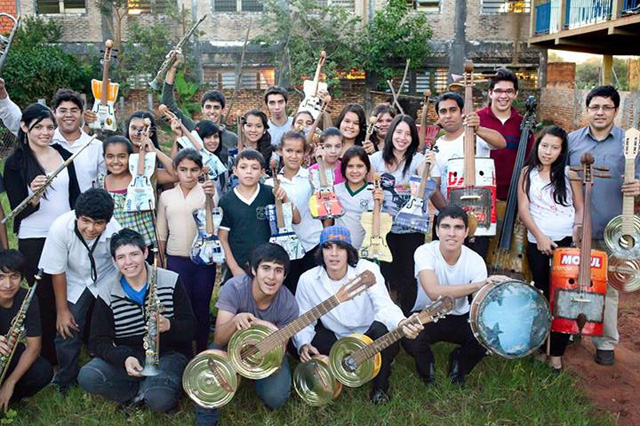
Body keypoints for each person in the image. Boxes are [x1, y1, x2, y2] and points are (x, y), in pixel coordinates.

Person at [294, 226, 422, 403]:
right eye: (328, 247)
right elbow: (304, 319)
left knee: (383, 330)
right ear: (320, 252)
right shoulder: (308, 279)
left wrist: (401, 322)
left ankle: (380, 388)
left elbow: (384, 305)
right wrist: (303, 344)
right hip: (338, 337)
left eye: (340, 247)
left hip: (369, 335)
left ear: (348, 252)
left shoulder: (367, 270)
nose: (334, 254)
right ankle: (339, 370)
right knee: (306, 341)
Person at [78, 229, 196, 413]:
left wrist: (169, 325)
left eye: (134, 254)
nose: (129, 262)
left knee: (159, 400)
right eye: (121, 257)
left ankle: (151, 392)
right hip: (130, 355)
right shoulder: (106, 292)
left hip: (168, 354)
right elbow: (97, 341)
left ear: (145, 253)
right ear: (114, 261)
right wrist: (124, 358)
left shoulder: (171, 280)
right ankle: (136, 393)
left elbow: (191, 328)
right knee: (88, 376)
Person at [4, 103, 82, 365]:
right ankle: (49, 354)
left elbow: (74, 197)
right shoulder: (15, 163)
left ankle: (73, 341)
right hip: (35, 238)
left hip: (67, 233)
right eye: (39, 127)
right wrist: (34, 195)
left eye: (50, 127)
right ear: (25, 128)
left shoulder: (62, 153)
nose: (46, 132)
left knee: (71, 289)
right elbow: (16, 211)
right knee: (45, 296)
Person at [568, 85, 640, 366]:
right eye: (595, 107)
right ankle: (573, 330)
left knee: (608, 287)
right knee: (574, 281)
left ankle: (606, 342)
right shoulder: (573, 140)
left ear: (615, 111)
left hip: (614, 229)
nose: (600, 112)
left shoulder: (629, 143)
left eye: (606, 107)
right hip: (579, 227)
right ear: (587, 110)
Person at [195, 243, 298, 426]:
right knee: (208, 370)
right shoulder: (234, 288)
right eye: (265, 268)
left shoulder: (288, 303)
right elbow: (219, 338)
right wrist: (235, 321)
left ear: (285, 275)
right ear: (253, 270)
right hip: (230, 345)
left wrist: (263, 329)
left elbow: (280, 352)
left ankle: (253, 380)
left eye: (278, 270)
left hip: (267, 352)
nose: (271, 277)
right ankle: (206, 414)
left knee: (276, 397)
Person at [403, 205, 507, 385]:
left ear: (466, 232)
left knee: (487, 336)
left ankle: (460, 361)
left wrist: (496, 292)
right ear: (437, 230)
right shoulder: (424, 252)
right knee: (409, 337)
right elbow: (433, 292)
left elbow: (479, 303)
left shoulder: (475, 260)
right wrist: (478, 284)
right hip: (428, 314)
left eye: (458, 227)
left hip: (460, 315)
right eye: (445, 227)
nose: (451, 233)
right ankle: (427, 367)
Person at [38, 188, 121, 392]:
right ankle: (66, 378)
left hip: (106, 275)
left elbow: (122, 263)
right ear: (76, 215)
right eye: (85, 221)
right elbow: (57, 272)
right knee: (68, 327)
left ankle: (108, 366)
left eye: (98, 223)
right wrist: (63, 311)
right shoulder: (60, 228)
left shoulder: (116, 231)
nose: (91, 228)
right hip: (74, 278)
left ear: (107, 222)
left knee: (113, 322)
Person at [517, 126, 583, 372]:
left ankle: (557, 352)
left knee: (563, 299)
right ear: (537, 145)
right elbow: (524, 209)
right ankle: (539, 345)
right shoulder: (527, 173)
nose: (548, 151)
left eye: (555, 147)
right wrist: (540, 237)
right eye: (545, 145)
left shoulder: (570, 175)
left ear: (562, 151)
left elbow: (579, 207)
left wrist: (577, 230)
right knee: (542, 294)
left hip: (565, 244)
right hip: (538, 243)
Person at [369, 114, 445, 314]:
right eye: (399, 132)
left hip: (411, 228)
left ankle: (409, 314)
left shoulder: (418, 160)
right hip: (383, 229)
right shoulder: (376, 160)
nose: (402, 137)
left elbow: (428, 184)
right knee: (387, 273)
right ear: (391, 133)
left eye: (408, 134)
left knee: (409, 274)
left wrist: (429, 166)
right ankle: (388, 315)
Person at [156, 149, 218, 353]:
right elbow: (162, 231)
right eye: (183, 170)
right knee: (181, 308)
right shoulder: (166, 196)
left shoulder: (207, 192)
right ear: (176, 171)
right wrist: (161, 260)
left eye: (194, 170)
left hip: (202, 261)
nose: (189, 175)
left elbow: (212, 223)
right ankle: (182, 351)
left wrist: (210, 197)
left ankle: (200, 350)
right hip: (175, 259)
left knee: (201, 306)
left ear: (200, 171)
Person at [432, 92, 506, 256]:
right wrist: (449, 213)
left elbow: (501, 142)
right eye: (443, 112)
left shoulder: (476, 134)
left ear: (462, 111)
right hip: (448, 219)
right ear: (438, 116)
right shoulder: (436, 146)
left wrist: (477, 128)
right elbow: (434, 186)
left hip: (479, 217)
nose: (448, 115)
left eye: (453, 110)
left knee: (476, 265)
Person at [219, 149, 298, 280]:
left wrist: (285, 198)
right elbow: (223, 238)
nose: (248, 172)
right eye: (243, 167)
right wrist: (234, 268)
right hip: (240, 266)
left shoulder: (271, 193)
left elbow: (296, 220)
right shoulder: (226, 201)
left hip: (269, 266)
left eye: (254, 168)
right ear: (235, 170)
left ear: (262, 172)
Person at [265, 131, 321, 293]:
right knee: (289, 291)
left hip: (311, 243)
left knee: (312, 292)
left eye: (298, 151)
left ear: (305, 153)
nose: (293, 156)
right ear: (280, 151)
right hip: (285, 249)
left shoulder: (312, 178)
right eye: (289, 151)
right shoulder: (271, 183)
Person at [0, 250, 54, 413]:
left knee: (43, 371)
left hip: (9, 354)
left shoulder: (28, 298)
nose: (8, 285)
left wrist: (11, 382)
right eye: (1, 277)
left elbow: (34, 346)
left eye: (14, 277)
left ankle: (7, 395)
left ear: (22, 277)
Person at [162, 53, 238, 163]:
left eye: (216, 107)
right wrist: (172, 68)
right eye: (208, 107)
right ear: (202, 109)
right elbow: (168, 104)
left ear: (222, 110)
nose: (212, 111)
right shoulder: (191, 128)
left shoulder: (232, 138)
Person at [477, 68, 534, 202]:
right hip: (482, 192)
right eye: (498, 91)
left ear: (515, 94)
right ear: (490, 93)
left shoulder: (523, 124)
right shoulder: (477, 120)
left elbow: (529, 160)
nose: (503, 96)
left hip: (514, 194)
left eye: (509, 91)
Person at [99, 136, 156, 254]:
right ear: (104, 157)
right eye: (110, 157)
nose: (115, 161)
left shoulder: (142, 177)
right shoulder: (101, 182)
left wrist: (153, 149)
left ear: (130, 157)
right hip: (117, 247)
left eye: (121, 156)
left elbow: (173, 173)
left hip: (145, 245)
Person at [50, 89, 105, 192]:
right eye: (63, 111)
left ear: (81, 113)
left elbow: (104, 182)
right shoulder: (47, 144)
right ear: (54, 113)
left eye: (74, 110)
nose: (68, 115)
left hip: (89, 206)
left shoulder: (96, 146)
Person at [334, 146, 383, 250]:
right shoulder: (336, 190)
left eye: (360, 166)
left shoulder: (373, 192)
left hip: (363, 251)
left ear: (367, 168)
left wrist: (378, 203)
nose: (355, 171)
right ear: (343, 168)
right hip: (339, 249)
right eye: (350, 166)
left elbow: (375, 222)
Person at [123, 111, 177, 186]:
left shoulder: (154, 160)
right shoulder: (122, 156)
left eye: (143, 129)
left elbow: (176, 174)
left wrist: (154, 150)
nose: (137, 133)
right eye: (133, 128)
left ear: (151, 133)